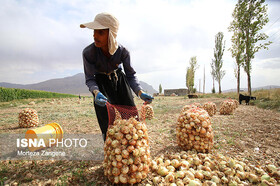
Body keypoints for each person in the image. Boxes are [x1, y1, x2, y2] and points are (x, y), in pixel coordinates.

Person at [80, 12, 154, 141]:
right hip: (101, 84)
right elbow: (90, 78)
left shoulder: (123, 52)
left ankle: (134, 145)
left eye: (100, 33)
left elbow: (130, 75)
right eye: (94, 32)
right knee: (106, 119)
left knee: (131, 115)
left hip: (119, 80)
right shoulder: (88, 53)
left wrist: (140, 92)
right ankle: (111, 149)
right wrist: (96, 92)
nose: (95, 36)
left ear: (111, 34)